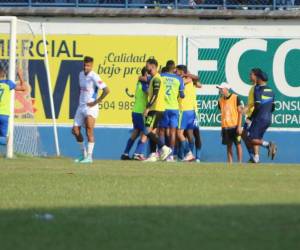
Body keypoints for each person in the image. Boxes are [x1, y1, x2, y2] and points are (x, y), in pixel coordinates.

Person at [72, 56, 110, 164]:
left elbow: (107, 90)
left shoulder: (94, 76)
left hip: (91, 107)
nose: (86, 67)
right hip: (81, 106)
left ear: (92, 66)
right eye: (84, 65)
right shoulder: (80, 74)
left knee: (89, 130)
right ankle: (83, 153)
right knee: (75, 130)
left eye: (88, 65)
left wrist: (95, 102)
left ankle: (89, 157)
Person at [142, 58, 172, 162]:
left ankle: (164, 148)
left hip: (156, 109)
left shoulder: (157, 79)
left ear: (152, 66)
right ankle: (153, 155)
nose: (146, 68)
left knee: (147, 130)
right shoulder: (153, 78)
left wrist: (148, 107)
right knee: (152, 132)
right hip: (154, 109)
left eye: (147, 66)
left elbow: (155, 94)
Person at [246, 72, 277, 163]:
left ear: (259, 78)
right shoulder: (271, 90)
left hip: (259, 118)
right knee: (257, 138)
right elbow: (273, 107)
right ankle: (257, 158)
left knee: (250, 139)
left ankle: (269, 145)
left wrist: (250, 118)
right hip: (268, 119)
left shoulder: (257, 89)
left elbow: (257, 105)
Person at [158, 60, 184, 162]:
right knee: (173, 132)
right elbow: (182, 95)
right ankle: (171, 155)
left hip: (163, 108)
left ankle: (163, 152)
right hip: (174, 108)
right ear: (174, 69)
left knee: (162, 131)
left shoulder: (161, 76)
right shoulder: (178, 79)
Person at [121, 67, 149, 160]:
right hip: (141, 112)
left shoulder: (140, 82)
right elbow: (148, 91)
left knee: (136, 132)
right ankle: (137, 153)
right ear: (145, 74)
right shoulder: (144, 83)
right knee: (145, 133)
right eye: (148, 73)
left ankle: (125, 153)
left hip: (135, 111)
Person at [217, 82, 243, 163]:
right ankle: (230, 163)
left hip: (235, 126)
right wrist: (222, 129)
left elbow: (240, 112)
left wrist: (239, 126)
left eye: (221, 89)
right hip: (225, 127)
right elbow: (223, 115)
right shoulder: (220, 100)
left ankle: (239, 162)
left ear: (226, 89)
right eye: (219, 89)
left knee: (238, 145)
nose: (220, 90)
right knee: (228, 146)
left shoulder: (235, 97)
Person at [0, 66, 26, 146]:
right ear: (3, 74)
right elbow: (23, 88)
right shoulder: (8, 83)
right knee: (3, 140)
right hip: (4, 115)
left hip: (4, 114)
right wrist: (20, 76)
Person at [176, 65, 197, 162]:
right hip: (191, 112)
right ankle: (189, 155)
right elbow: (197, 80)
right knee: (189, 134)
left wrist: (184, 75)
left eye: (177, 71)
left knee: (179, 134)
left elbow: (197, 79)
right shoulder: (191, 80)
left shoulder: (182, 81)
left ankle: (189, 153)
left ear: (181, 72)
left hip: (184, 110)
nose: (175, 72)